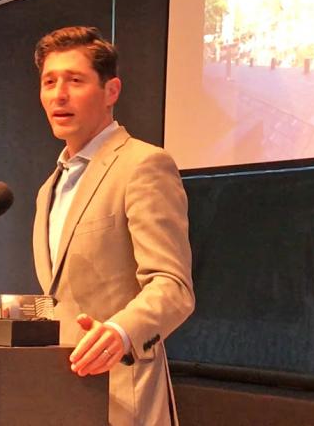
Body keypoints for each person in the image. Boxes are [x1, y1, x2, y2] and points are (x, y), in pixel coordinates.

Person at [32, 26, 195, 425]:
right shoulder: (48, 188)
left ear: (111, 91)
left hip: (124, 395)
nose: (59, 94)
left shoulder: (142, 165)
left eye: (75, 80)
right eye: (49, 81)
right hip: (60, 395)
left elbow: (172, 287)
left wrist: (121, 332)